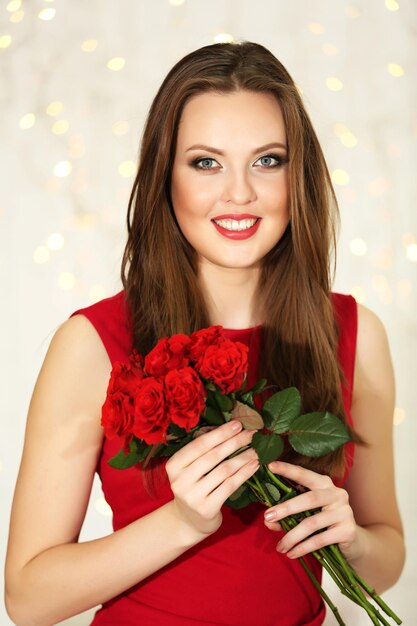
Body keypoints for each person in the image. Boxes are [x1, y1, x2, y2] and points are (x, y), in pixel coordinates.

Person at [5, 41, 405, 626]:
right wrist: (181, 523)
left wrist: (351, 543)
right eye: (206, 162)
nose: (239, 193)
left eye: (268, 160)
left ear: (301, 175)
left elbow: (386, 554)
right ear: (166, 174)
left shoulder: (353, 334)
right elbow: (28, 599)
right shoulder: (93, 342)